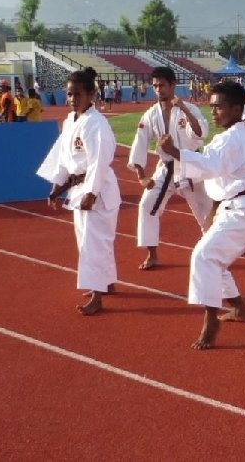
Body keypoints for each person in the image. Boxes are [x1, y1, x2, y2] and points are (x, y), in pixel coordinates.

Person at [159, 80, 245, 349]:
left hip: (241, 209)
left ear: (237, 108)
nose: (214, 113)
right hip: (237, 205)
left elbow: (208, 165)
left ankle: (211, 319)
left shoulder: (231, 138)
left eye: (219, 108)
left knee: (204, 256)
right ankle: (239, 308)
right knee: (215, 259)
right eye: (212, 107)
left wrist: (173, 152)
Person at [36, 67, 121, 315]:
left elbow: (99, 161)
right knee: (90, 241)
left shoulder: (96, 123)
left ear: (91, 94)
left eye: (77, 94)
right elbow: (62, 158)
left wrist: (92, 193)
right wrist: (56, 186)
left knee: (94, 244)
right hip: (78, 187)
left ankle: (97, 295)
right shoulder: (71, 121)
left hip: (98, 190)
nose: (72, 99)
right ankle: (106, 282)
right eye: (69, 94)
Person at [128, 66, 213, 270]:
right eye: (155, 86)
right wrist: (141, 175)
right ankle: (152, 254)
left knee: (205, 214)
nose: (158, 89)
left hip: (190, 167)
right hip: (165, 169)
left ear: (173, 85)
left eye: (162, 85)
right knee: (147, 206)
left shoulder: (189, 109)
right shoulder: (150, 115)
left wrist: (182, 107)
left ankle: (213, 250)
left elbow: (201, 134)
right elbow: (139, 142)